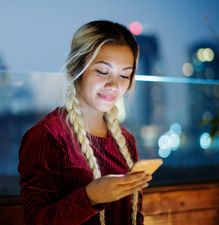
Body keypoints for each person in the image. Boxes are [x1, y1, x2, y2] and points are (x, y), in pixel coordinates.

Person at [18, 20, 152, 225]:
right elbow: (36, 220)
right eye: (102, 71)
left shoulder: (126, 141)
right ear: (76, 69)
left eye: (124, 75)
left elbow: (135, 215)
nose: (114, 85)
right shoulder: (47, 135)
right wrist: (90, 197)